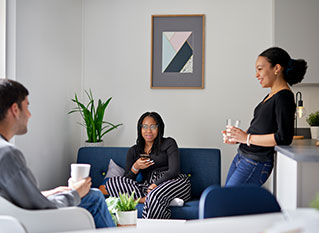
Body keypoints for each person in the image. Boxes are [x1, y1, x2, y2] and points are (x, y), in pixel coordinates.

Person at [0, 79, 115, 228]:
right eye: (27, 107)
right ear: (15, 109)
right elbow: (41, 208)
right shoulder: (7, 154)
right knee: (94, 196)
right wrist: (75, 192)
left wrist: (51, 192)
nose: (29, 114)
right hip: (31, 223)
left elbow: (22, 199)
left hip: (13, 219)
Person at [223, 47, 307, 187]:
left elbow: (284, 137)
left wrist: (247, 138)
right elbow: (262, 128)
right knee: (228, 202)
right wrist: (240, 138)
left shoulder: (284, 97)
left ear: (276, 68)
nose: (257, 75)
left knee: (228, 203)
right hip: (242, 156)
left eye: (260, 69)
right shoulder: (271, 95)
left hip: (255, 162)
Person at [105, 112, 191, 219]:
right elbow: (126, 179)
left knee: (154, 194)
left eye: (153, 126)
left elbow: (173, 171)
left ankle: (156, 198)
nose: (148, 131)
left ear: (159, 128)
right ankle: (152, 199)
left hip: (173, 182)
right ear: (140, 129)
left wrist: (155, 185)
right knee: (112, 182)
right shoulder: (134, 151)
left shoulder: (169, 143)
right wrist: (135, 167)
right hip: (148, 186)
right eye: (144, 127)